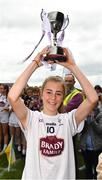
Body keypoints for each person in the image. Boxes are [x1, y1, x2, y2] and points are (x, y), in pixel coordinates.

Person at [8, 46, 98, 180]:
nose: (53, 98)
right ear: (41, 94)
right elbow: (12, 97)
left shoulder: (68, 120)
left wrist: (72, 66)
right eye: (49, 92)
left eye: (58, 93)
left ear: (62, 98)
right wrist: (36, 63)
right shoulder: (31, 118)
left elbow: (93, 99)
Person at [63, 73, 84, 178]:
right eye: (66, 80)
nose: (67, 83)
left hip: (71, 126)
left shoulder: (77, 95)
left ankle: (73, 173)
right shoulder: (63, 92)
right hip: (62, 124)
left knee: (70, 151)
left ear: (74, 82)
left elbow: (65, 109)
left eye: (69, 81)